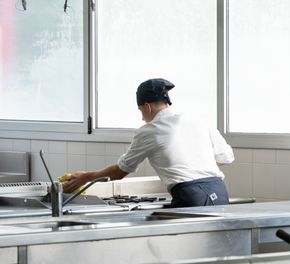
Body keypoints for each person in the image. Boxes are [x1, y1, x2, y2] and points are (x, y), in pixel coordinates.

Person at [63, 78, 235, 208]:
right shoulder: (197, 119)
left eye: (140, 111)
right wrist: (199, 166)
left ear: (147, 106)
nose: (141, 117)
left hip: (192, 196)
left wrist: (85, 177)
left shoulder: (150, 131)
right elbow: (226, 157)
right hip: (220, 192)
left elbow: (119, 171)